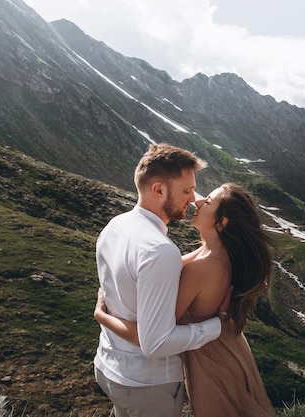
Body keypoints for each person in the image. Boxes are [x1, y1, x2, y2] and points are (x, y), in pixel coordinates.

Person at [95, 182, 276, 417]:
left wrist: (102, 315)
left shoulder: (205, 266)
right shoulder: (210, 252)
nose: (196, 202)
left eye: (208, 202)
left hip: (213, 360)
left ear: (222, 222)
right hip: (223, 347)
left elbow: (149, 337)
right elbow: (161, 270)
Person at [93, 143, 230, 417]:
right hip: (148, 383)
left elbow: (137, 278)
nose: (193, 199)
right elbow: (156, 344)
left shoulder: (115, 226)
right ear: (159, 190)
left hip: (108, 366)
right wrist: (217, 326)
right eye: (186, 191)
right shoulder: (159, 251)